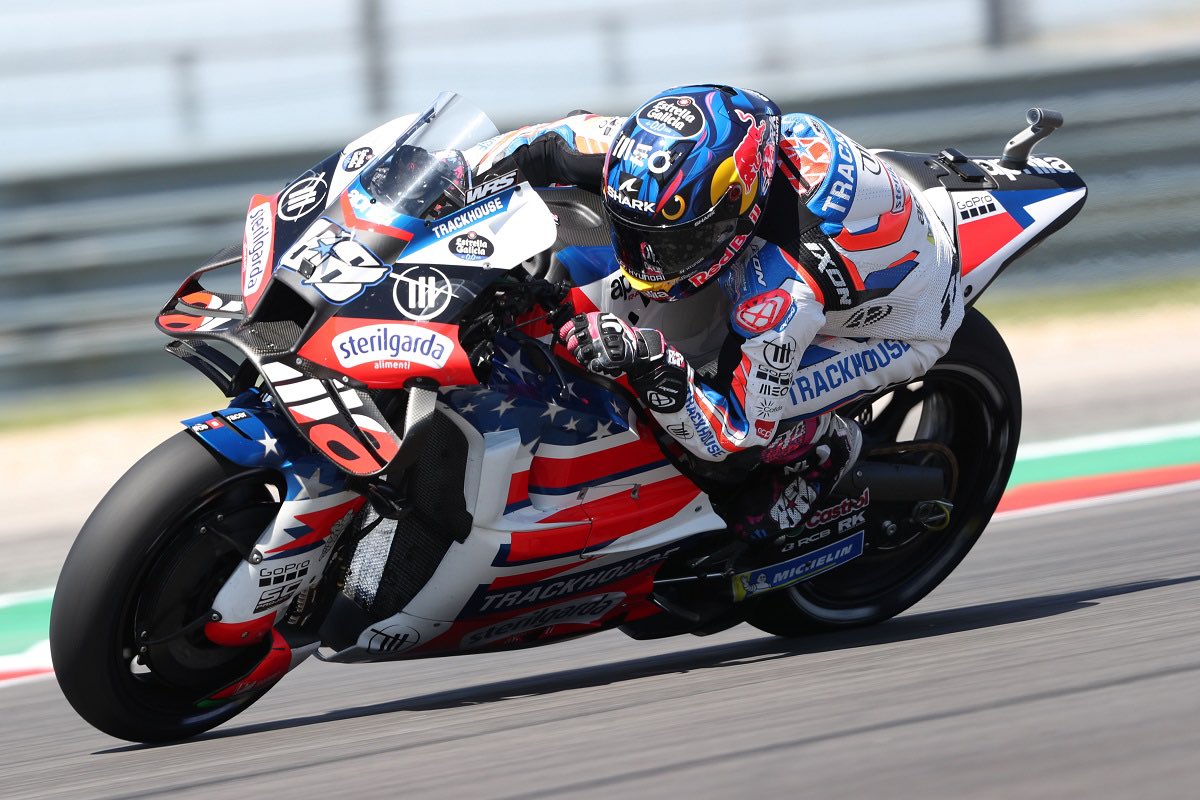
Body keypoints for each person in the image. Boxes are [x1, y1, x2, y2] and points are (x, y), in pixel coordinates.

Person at [463, 85, 964, 543]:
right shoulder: (652, 155)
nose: (647, 263)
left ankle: (826, 449)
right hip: (797, 246)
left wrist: (649, 360)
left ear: (736, 208)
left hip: (894, 326)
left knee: (733, 466)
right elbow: (541, 144)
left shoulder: (783, 290)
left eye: (678, 242)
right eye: (639, 238)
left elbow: (735, 432)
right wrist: (442, 182)